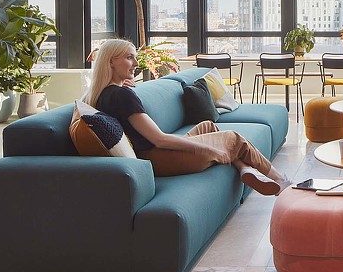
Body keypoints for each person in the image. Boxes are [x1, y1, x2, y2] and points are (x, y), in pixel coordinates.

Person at [83, 39, 291, 195]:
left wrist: (125, 85)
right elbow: (160, 140)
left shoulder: (103, 94)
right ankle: (281, 182)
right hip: (157, 158)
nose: (136, 63)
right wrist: (208, 149)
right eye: (130, 57)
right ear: (111, 62)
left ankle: (244, 168)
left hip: (152, 155)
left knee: (207, 125)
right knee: (234, 139)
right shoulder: (122, 95)